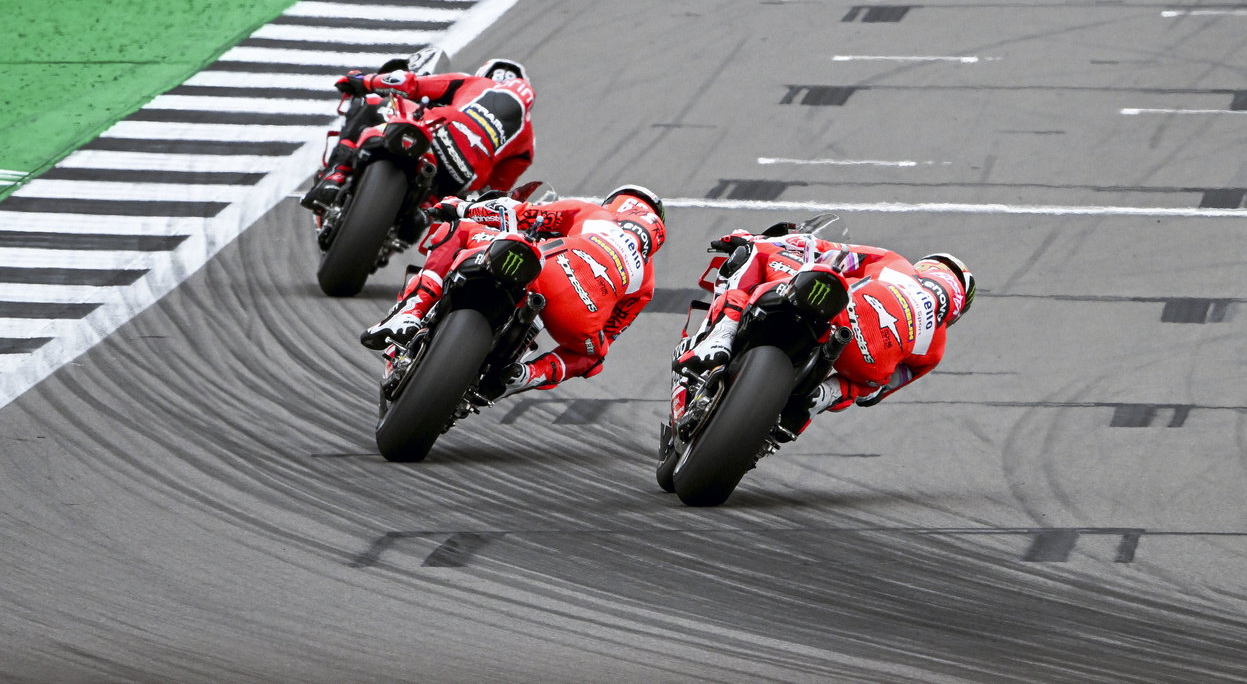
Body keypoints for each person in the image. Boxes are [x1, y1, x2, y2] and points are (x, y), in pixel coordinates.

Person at [674, 219, 974, 441]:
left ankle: (720, 339)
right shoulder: (936, 346)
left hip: (843, 315)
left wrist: (750, 240)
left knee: (758, 263)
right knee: (867, 384)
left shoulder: (898, 265)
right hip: (865, 364)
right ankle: (815, 399)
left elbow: (830, 252)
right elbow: (877, 394)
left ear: (926, 269)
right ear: (956, 310)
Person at [361, 184, 667, 396]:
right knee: (594, 355)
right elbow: (610, 334)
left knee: (461, 230)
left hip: (545, 273)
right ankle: (528, 375)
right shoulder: (647, 282)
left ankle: (411, 312)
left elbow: (519, 213)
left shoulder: (593, 213)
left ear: (616, 204)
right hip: (578, 321)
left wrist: (459, 206)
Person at [301, 53, 536, 211]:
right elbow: (495, 190)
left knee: (373, 104)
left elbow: (408, 83)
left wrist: (365, 82)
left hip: (435, 139)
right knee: (439, 210)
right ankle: (421, 216)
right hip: (463, 178)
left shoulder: (472, 82)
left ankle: (336, 174)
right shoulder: (527, 139)